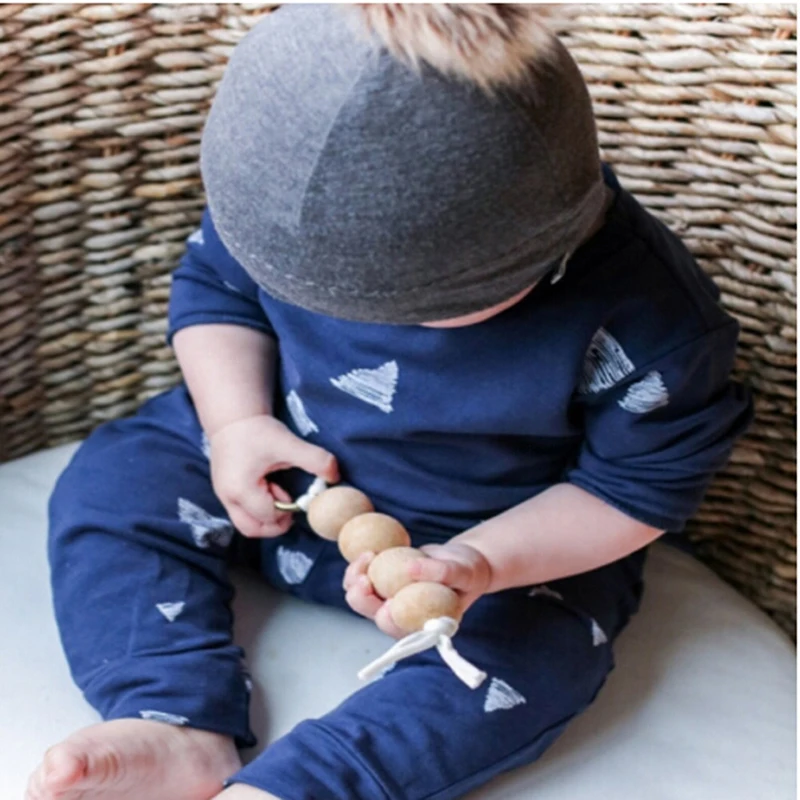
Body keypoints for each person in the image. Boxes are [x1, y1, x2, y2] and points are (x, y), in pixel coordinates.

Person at [27, 5, 752, 800]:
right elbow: (216, 293)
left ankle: (301, 785)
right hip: (276, 463)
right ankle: (173, 718)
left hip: (496, 554)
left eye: (414, 309)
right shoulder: (284, 203)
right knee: (115, 477)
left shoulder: (652, 321)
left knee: (538, 658)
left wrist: (481, 562)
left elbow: (632, 491)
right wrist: (236, 422)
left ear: (545, 247)